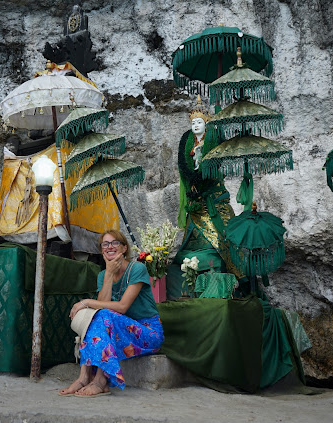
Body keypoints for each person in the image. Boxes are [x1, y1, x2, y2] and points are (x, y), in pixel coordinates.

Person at [59, 230, 164, 397]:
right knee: (99, 316)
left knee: (103, 315)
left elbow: (122, 307)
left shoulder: (137, 268)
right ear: (102, 250)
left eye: (115, 243)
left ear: (124, 248)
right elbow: (101, 308)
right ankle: (84, 376)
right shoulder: (103, 275)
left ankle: (100, 380)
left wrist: (86, 302)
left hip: (147, 332)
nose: (110, 247)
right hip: (120, 329)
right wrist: (108, 274)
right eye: (105, 244)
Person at [167, 96, 246, 298]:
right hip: (196, 203)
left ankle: (233, 279)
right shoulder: (189, 146)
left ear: (207, 124)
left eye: (199, 122)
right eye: (193, 122)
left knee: (223, 239)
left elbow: (213, 167)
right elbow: (187, 169)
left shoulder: (213, 143)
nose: (195, 125)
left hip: (213, 200)